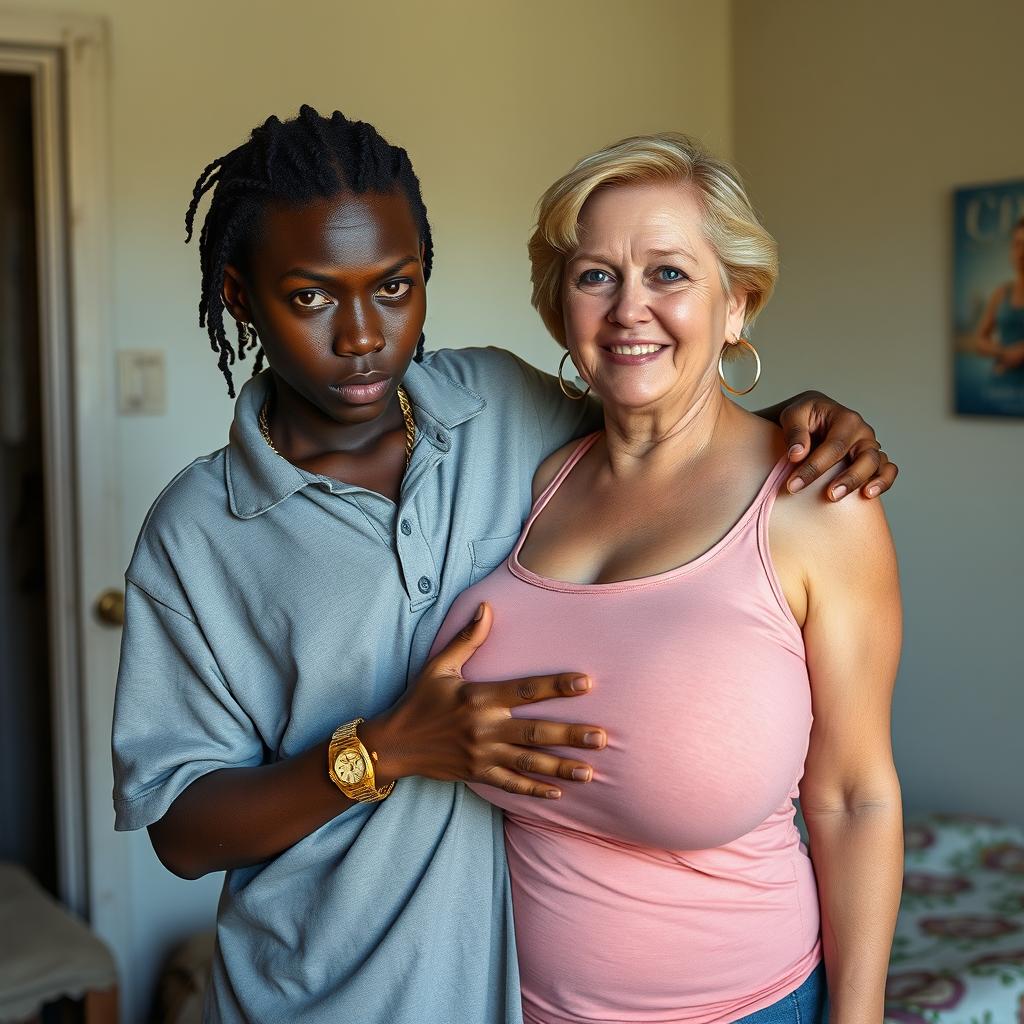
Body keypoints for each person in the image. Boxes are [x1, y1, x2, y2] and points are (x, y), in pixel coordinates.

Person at [111, 107, 899, 1024]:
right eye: (312, 297)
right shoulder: (198, 532)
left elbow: (666, 415)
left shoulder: (493, 409)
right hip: (323, 995)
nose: (363, 335)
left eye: (395, 287)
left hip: (575, 995)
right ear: (242, 299)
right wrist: (384, 750)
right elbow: (179, 830)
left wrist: (796, 423)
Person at [431, 134, 903, 1024]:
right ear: (559, 305)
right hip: (509, 1004)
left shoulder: (815, 504)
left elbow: (855, 793)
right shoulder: (531, 480)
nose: (628, 309)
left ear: (739, 305)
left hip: (744, 1007)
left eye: (671, 275)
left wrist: (862, 1015)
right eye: (596, 275)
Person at [974, 215, 1024, 375]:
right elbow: (980, 340)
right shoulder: (1001, 293)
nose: (1021, 251)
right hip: (1001, 386)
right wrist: (1002, 353)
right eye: (1017, 244)